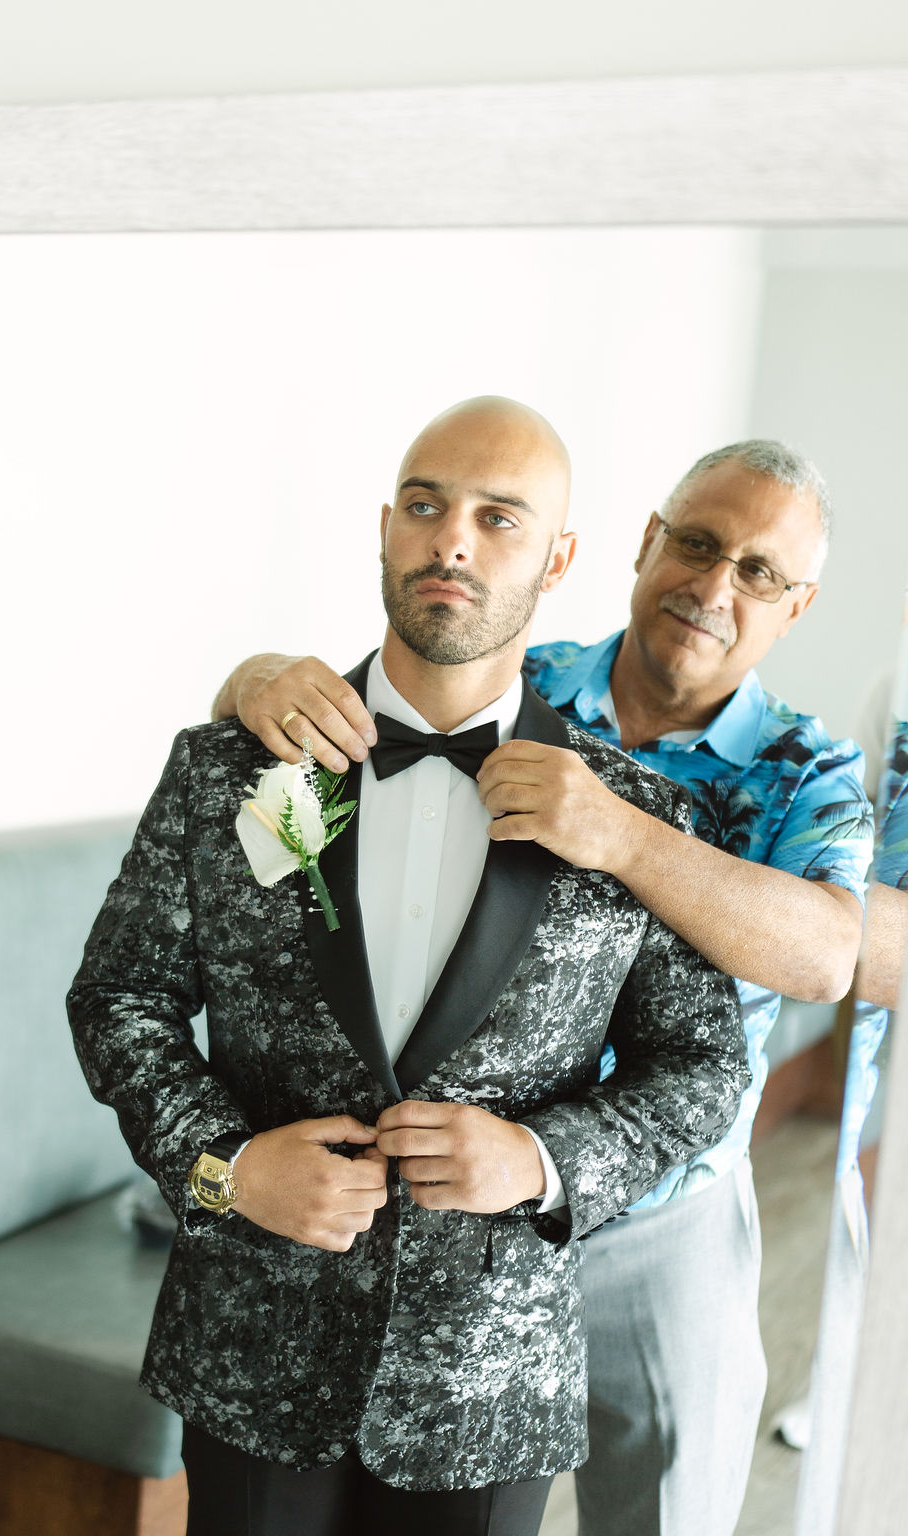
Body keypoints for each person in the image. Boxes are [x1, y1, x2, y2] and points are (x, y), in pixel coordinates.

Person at [67, 396, 747, 1536]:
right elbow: (119, 999)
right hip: (249, 1355)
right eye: (426, 508)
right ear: (384, 528)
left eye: (500, 518)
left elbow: (702, 1070)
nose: (453, 542)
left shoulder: (636, 817)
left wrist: (540, 1159)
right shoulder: (225, 767)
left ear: (561, 557)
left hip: (489, 1390)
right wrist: (227, 1169)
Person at [216, 437, 875, 1536]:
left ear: (795, 606)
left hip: (665, 1213)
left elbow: (823, 957)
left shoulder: (807, 771)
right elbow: (289, 820)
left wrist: (620, 833)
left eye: (757, 572)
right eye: (698, 544)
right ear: (643, 544)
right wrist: (247, 687)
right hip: (446, 1206)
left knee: (662, 1508)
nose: (713, 587)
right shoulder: (512, 678)